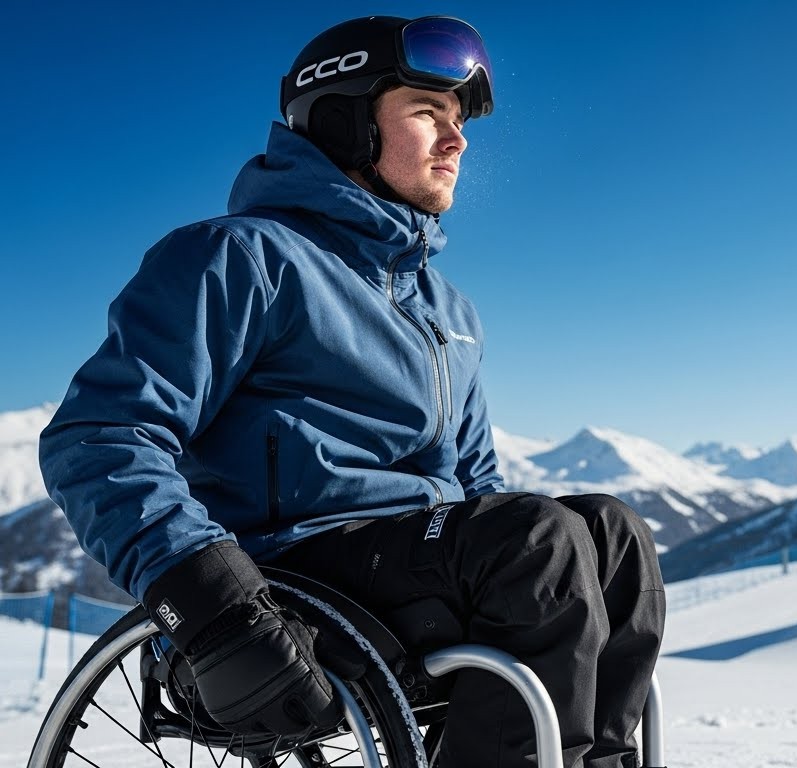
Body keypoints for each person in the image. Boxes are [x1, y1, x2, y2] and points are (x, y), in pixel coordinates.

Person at [39, 15, 663, 768]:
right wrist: (207, 600)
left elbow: (478, 487)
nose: (455, 141)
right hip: (282, 575)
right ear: (346, 124)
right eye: (426, 113)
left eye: (458, 120)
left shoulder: (448, 311)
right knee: (537, 541)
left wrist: (507, 538)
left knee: (610, 531)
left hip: (410, 570)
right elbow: (102, 434)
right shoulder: (242, 259)